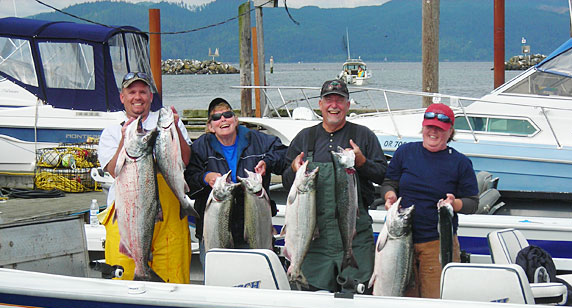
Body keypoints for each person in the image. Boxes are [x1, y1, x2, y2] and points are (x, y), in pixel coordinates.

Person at [282, 79, 387, 292]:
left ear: (348, 105)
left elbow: (383, 174)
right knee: (309, 296)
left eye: (340, 100)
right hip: (314, 239)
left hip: (354, 236)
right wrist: (294, 169)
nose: (334, 105)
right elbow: (285, 184)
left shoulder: (363, 135)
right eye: (329, 100)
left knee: (358, 298)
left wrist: (362, 162)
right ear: (320, 104)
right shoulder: (305, 137)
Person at [97, 71, 193, 283]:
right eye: (131, 92)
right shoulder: (112, 132)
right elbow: (113, 170)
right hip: (128, 213)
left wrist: (175, 127)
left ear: (151, 96)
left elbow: (185, 160)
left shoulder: (168, 122)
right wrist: (125, 139)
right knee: (123, 286)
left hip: (168, 217)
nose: (137, 97)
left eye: (143, 91)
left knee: (174, 282)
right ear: (122, 97)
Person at [380, 102, 479, 298]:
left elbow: (472, 203)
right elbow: (389, 182)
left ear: (450, 132)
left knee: (436, 300)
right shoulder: (405, 152)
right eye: (429, 127)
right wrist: (389, 195)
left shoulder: (460, 163)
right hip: (400, 239)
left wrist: (454, 204)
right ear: (423, 127)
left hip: (437, 243)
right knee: (399, 297)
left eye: (440, 129)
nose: (433, 132)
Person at [184, 97, 287, 257]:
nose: (223, 119)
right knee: (218, 279)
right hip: (215, 232)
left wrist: (267, 162)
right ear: (210, 127)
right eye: (216, 117)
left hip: (256, 229)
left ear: (236, 119)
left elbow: (284, 154)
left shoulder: (258, 140)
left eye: (228, 114)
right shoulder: (201, 147)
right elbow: (189, 182)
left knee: (257, 278)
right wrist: (205, 178)